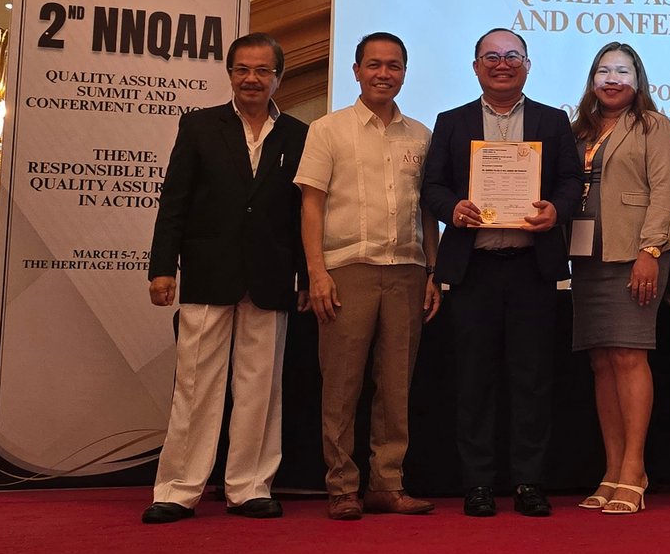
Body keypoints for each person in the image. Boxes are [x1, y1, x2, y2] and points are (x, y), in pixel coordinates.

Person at [142, 33, 308, 524]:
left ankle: (250, 486)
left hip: (271, 277)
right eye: (242, 69)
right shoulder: (198, 126)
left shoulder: (299, 134)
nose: (251, 79)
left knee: (260, 388)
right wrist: (161, 268)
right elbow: (173, 202)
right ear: (230, 73)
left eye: (262, 71)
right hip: (208, 271)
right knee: (195, 385)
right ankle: (177, 490)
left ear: (279, 77)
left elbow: (302, 214)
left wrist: (304, 276)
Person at [420, 27, 580, 518]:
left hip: (533, 270)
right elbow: (432, 186)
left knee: (532, 380)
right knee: (474, 381)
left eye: (512, 55)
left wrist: (557, 209)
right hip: (475, 272)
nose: (502, 64)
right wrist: (453, 208)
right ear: (476, 67)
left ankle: (529, 482)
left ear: (527, 65)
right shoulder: (452, 122)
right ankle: (478, 484)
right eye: (491, 56)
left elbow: (572, 180)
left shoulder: (553, 120)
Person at [296, 31, 441, 521]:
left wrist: (433, 271)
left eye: (394, 65)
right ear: (356, 71)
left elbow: (427, 211)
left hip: (407, 270)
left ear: (404, 73)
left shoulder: (421, 136)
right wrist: (316, 272)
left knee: (396, 385)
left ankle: (387, 484)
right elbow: (311, 205)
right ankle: (342, 487)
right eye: (374, 65)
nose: (384, 74)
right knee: (341, 385)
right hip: (347, 270)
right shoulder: (327, 130)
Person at [566, 42, 670, 516]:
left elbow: (665, 192)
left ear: (638, 79)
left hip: (635, 254)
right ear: (592, 79)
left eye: (622, 71)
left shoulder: (654, 125)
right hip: (587, 258)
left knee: (630, 356)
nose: (612, 79)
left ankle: (635, 471)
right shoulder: (579, 129)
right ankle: (611, 470)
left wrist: (650, 251)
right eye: (603, 71)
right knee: (602, 362)